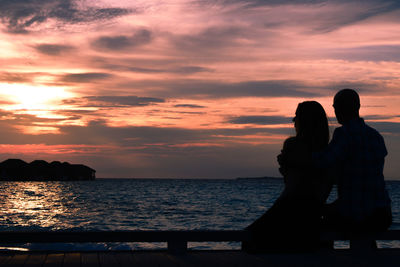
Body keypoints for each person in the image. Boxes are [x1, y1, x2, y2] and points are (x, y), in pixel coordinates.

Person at [243, 101, 331, 252]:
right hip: (314, 215)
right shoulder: (328, 153)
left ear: (304, 120)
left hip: (290, 208)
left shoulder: (293, 145)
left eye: (296, 116)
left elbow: (292, 189)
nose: (293, 120)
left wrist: (288, 166)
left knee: (248, 238)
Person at [314, 89, 392, 231]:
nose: (335, 111)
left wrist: (296, 157)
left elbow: (322, 162)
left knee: (314, 219)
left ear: (341, 108)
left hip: (355, 212)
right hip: (382, 213)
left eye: (335, 107)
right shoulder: (375, 136)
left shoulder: (344, 134)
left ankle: (324, 253)